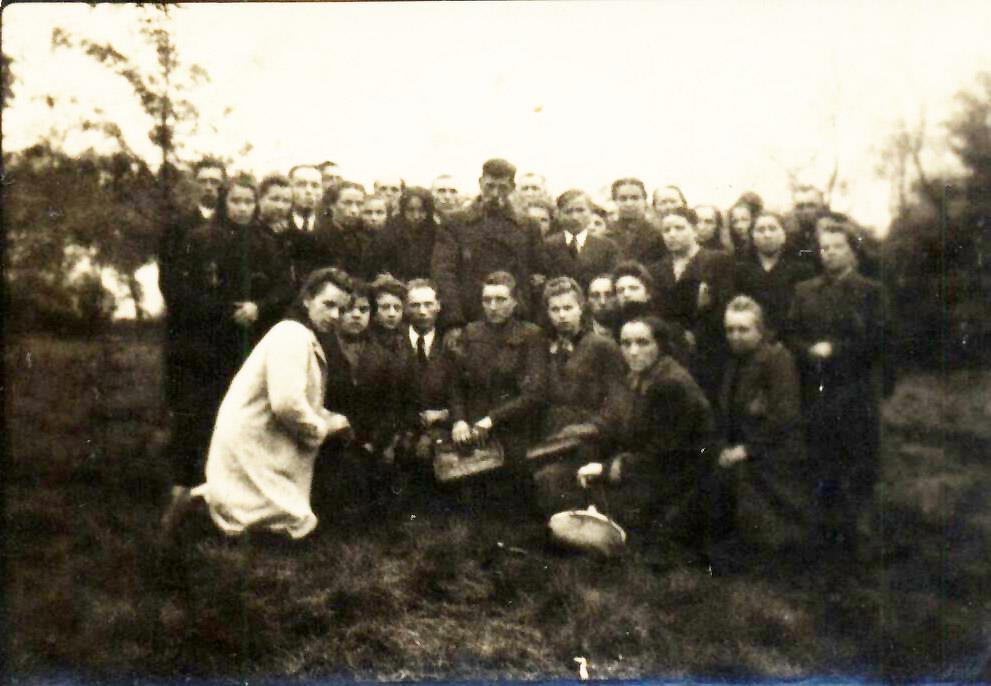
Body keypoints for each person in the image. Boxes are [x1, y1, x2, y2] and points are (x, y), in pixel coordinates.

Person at [183, 268, 354, 543]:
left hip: (265, 438)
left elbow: (301, 400)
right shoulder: (291, 335)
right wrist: (323, 428)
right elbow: (286, 404)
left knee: (293, 518)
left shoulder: (303, 336)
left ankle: (208, 504)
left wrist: (332, 418)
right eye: (328, 304)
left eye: (341, 309)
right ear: (307, 299)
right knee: (293, 528)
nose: (335, 315)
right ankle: (202, 508)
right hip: (253, 443)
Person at [785, 221, 893, 560]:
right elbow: (790, 334)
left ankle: (862, 536)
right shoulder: (804, 291)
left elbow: (878, 341)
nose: (829, 254)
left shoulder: (871, 291)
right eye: (825, 248)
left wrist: (836, 350)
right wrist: (808, 351)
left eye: (837, 247)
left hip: (855, 388)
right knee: (821, 458)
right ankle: (824, 534)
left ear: (853, 251)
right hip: (816, 388)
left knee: (859, 460)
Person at [580, 316, 716, 549]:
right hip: (655, 466)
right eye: (626, 343)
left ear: (660, 346)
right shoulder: (641, 376)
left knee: (600, 508)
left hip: (682, 477)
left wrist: (605, 468)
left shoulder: (670, 384)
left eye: (643, 343)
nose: (633, 351)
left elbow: (664, 453)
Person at [711, 296, 811, 569]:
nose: (736, 336)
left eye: (744, 329)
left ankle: (762, 547)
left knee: (745, 481)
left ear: (760, 330)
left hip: (775, 450)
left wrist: (746, 450)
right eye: (730, 329)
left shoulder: (777, 359)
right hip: (744, 446)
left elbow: (784, 416)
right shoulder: (734, 362)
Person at [159, 157, 226, 529]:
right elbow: (170, 283)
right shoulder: (179, 227)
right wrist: (204, 309)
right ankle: (182, 485)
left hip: (222, 337)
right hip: (189, 333)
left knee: (218, 406)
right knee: (189, 409)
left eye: (217, 181)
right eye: (204, 181)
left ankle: (212, 483)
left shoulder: (230, 226)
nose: (210, 188)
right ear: (194, 184)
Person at [531, 277, 627, 515]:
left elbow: (617, 404)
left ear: (581, 307)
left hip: (588, 440)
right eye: (555, 309)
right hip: (552, 435)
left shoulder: (602, 346)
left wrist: (586, 429)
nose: (562, 315)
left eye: (568, 308)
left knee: (551, 480)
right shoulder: (545, 347)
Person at [448, 271, 548, 499]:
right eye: (487, 300)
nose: (493, 306)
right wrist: (459, 421)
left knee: (507, 491)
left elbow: (535, 394)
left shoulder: (531, 335)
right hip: (474, 424)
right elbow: (456, 385)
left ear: (514, 301)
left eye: (501, 300)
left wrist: (493, 419)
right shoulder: (471, 333)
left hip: (513, 425)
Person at [316, 280, 402, 519]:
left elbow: (391, 406)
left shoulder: (383, 356)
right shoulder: (321, 348)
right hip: (326, 439)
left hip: (368, 441)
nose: (355, 315)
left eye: (363, 310)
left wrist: (374, 442)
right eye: (347, 309)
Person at [431, 159, 544, 328]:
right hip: (470, 319)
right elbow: (444, 274)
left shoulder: (527, 226)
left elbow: (537, 276)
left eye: (502, 188)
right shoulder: (455, 223)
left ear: (513, 188)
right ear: (480, 183)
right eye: (489, 186)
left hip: (517, 319)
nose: (495, 194)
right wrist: (454, 322)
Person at [646, 207, 736, 398]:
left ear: (694, 230)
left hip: (708, 349)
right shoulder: (655, 270)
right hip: (670, 350)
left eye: (679, 228)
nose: (672, 234)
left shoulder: (718, 261)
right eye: (667, 230)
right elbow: (656, 311)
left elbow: (723, 305)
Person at [734, 212, 814, 336]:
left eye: (772, 228)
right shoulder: (740, 270)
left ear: (783, 235)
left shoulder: (802, 270)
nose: (767, 234)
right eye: (760, 230)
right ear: (752, 237)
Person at [541, 190, 620, 290]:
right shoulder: (548, 246)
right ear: (558, 214)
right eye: (568, 212)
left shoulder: (607, 247)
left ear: (590, 212)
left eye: (580, 210)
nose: (574, 217)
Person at [367, 186, 440, 284]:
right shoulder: (389, 233)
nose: (416, 216)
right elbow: (376, 270)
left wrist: (426, 282)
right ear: (403, 210)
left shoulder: (437, 233)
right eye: (410, 210)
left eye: (422, 210)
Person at [606, 177, 667, 264]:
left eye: (635, 198)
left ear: (644, 200)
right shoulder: (606, 233)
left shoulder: (657, 233)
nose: (629, 204)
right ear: (615, 201)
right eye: (623, 199)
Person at [369, 273, 406, 353]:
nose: (392, 314)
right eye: (385, 307)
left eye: (397, 308)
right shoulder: (365, 342)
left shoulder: (407, 341)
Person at [587, 274, 620, 339]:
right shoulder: (582, 335)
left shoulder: (626, 332)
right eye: (596, 296)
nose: (603, 302)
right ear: (588, 300)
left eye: (608, 295)